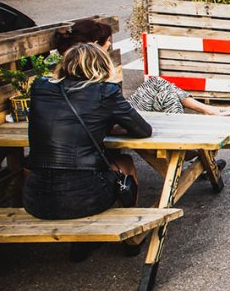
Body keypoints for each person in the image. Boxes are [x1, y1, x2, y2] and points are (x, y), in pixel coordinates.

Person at [23, 43, 153, 220]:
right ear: (102, 65)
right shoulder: (106, 92)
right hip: (84, 198)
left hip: (34, 199)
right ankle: (133, 239)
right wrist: (108, 126)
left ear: (65, 64)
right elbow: (143, 130)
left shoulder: (40, 88)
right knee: (125, 162)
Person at [57, 19, 230, 116]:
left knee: (159, 85)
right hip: (112, 119)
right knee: (165, 94)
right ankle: (186, 152)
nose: (110, 44)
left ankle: (208, 114)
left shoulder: (66, 67)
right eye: (108, 42)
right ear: (96, 45)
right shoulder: (92, 68)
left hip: (109, 114)